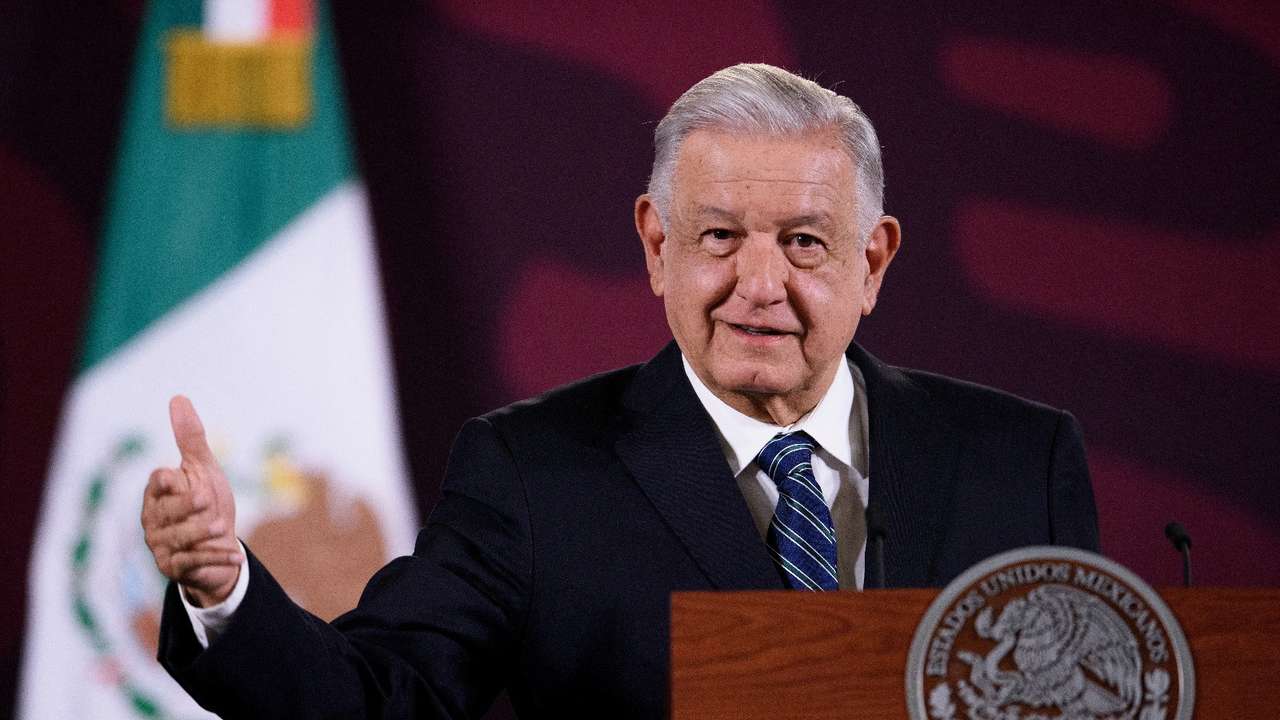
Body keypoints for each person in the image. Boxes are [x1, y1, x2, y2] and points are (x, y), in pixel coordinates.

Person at [142, 63, 1099, 718]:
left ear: (873, 260)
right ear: (656, 246)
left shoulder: (1020, 464)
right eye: (720, 236)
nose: (758, 285)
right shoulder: (532, 474)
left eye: (804, 242)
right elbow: (381, 698)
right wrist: (225, 588)